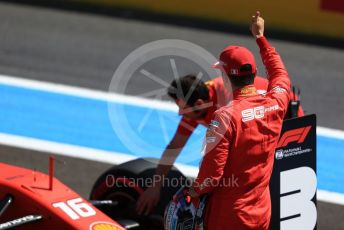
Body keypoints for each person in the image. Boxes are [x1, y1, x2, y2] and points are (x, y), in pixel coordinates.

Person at [136, 19, 303, 216]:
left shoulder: (226, 107)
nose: (180, 114)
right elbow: (175, 146)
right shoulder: (197, 103)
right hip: (276, 103)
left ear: (198, 105)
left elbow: (213, 172)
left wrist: (192, 194)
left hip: (287, 120)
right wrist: (156, 186)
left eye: (181, 109)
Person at [187, 11, 290, 229]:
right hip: (261, 214)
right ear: (253, 73)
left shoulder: (225, 116)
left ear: (225, 76)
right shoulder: (277, 102)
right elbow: (280, 74)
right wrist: (260, 38)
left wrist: (194, 190)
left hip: (228, 217)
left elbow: (211, 176)